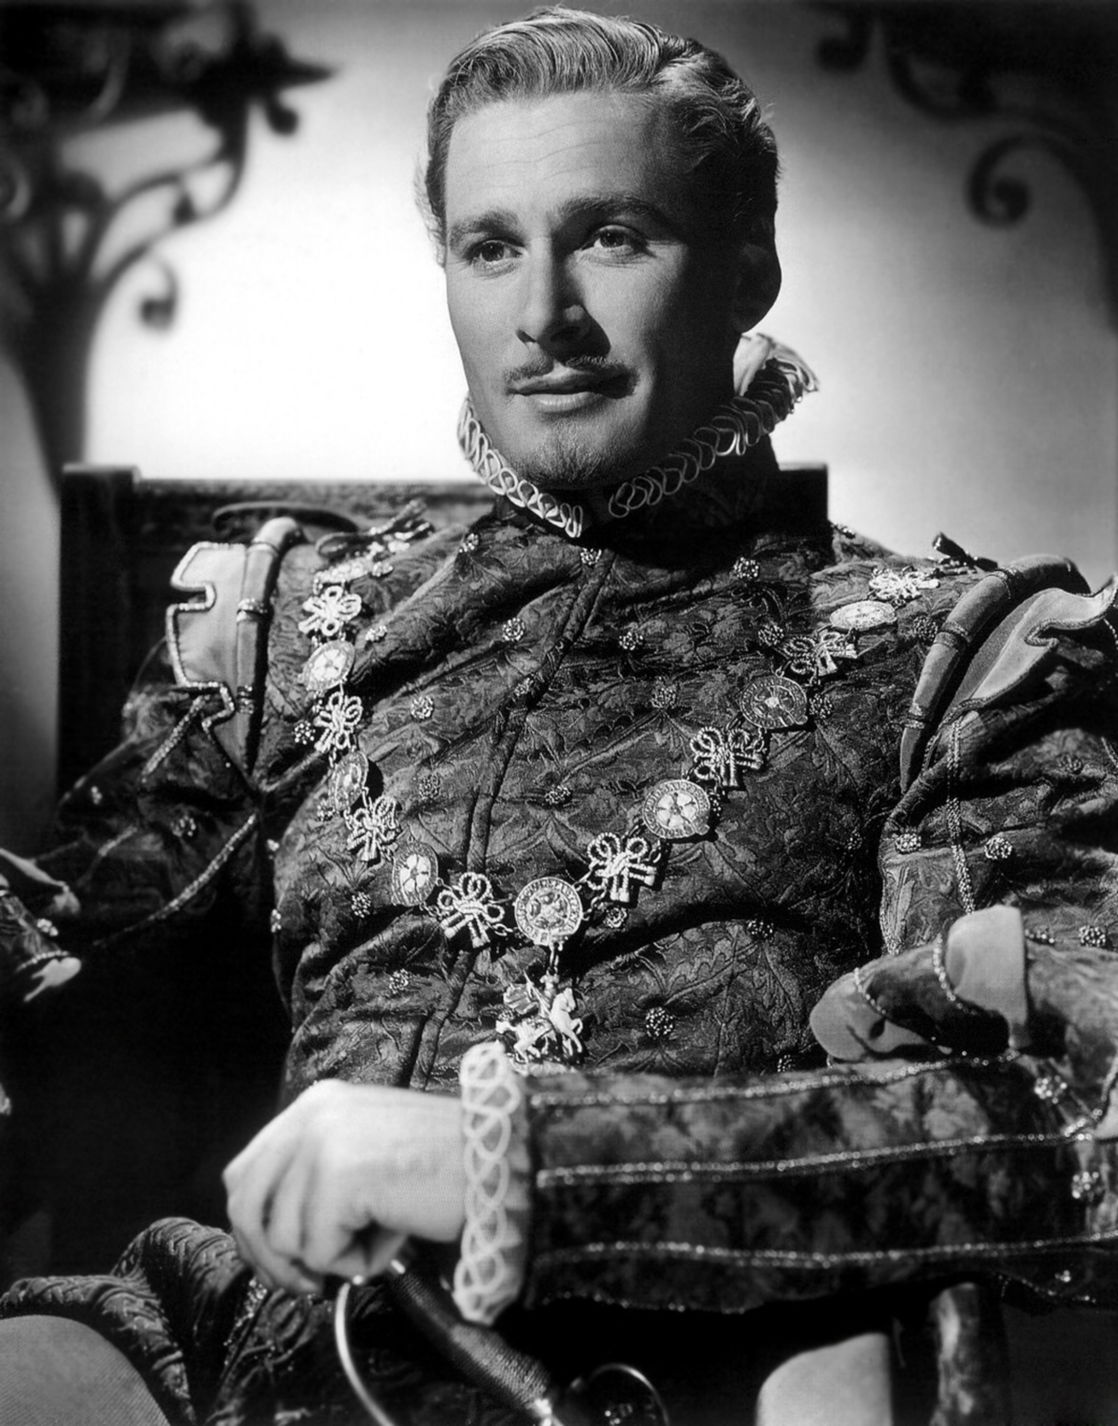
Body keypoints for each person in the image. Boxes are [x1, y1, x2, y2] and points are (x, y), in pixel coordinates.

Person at [1, 7, 1117, 1425]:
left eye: (611, 236)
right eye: (490, 247)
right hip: (250, 1357)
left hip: (668, 1377)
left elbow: (1070, 1123)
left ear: (749, 266)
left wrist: (517, 1165)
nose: (543, 315)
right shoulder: (293, 627)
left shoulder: (953, 659)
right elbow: (65, 953)